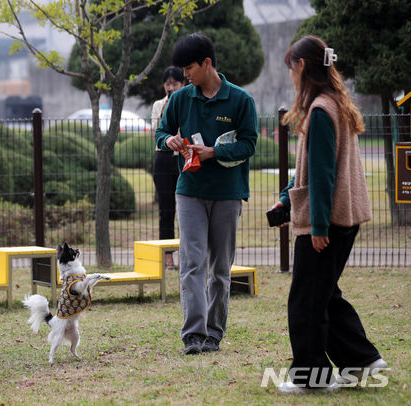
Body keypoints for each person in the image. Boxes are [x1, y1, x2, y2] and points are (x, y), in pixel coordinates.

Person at [271, 35, 387, 394]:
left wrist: (318, 226)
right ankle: (363, 362)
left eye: (291, 68)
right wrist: (285, 202)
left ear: (302, 66)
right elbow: (309, 170)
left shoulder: (321, 110)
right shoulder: (336, 103)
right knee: (323, 295)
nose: (290, 76)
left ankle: (311, 378)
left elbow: (322, 176)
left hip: (327, 223)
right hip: (342, 220)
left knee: (305, 300)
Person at [155, 32, 257, 355]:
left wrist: (214, 152)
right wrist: (167, 140)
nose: (185, 75)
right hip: (190, 191)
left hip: (227, 193)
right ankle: (193, 335)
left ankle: (214, 333)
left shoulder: (241, 100)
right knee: (192, 263)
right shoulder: (181, 99)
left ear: (207, 63)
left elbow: (249, 144)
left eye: (189, 67)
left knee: (220, 270)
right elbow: (161, 132)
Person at [151, 66, 187, 269]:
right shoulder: (158, 105)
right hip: (163, 158)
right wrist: (165, 110)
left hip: (183, 156)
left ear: (183, 84)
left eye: (175, 83)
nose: (171, 87)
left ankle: (187, 255)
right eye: (167, 84)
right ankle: (168, 258)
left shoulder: (188, 101)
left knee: (187, 208)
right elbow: (155, 134)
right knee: (166, 210)